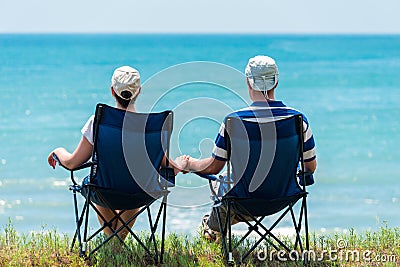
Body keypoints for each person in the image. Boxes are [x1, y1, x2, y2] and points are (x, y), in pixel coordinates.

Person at [184, 55, 317, 241]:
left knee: (223, 186)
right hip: (284, 197)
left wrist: (190, 164)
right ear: (276, 82)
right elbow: (310, 167)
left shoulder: (234, 121)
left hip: (243, 199)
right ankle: (215, 226)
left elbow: (214, 167)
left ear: (248, 82)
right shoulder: (297, 120)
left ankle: (212, 228)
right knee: (234, 190)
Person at [48, 66, 188, 239]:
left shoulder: (98, 123)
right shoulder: (152, 127)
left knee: (99, 180)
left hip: (104, 191)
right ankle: (117, 240)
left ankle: (113, 240)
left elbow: (72, 163)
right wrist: (182, 164)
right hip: (140, 195)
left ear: (112, 91)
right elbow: (167, 167)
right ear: (139, 92)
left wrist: (58, 151)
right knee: (136, 181)